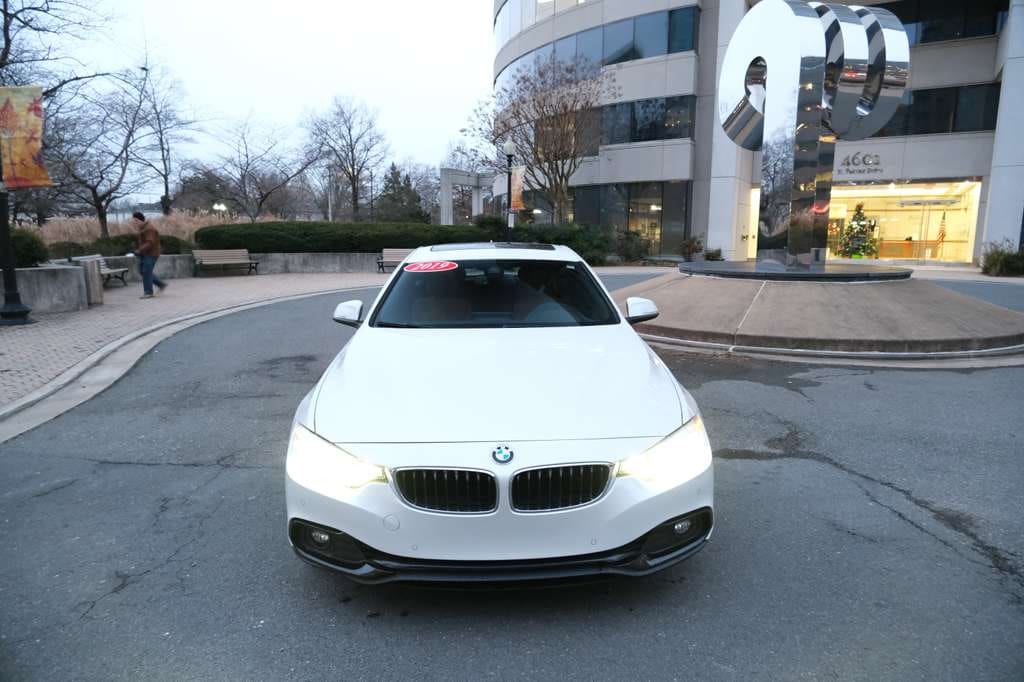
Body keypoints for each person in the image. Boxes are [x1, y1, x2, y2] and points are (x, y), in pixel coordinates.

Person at [133, 212, 167, 299]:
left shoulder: (149, 229)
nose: (135, 223)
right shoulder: (143, 228)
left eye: (136, 221)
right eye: (134, 221)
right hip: (145, 253)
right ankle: (161, 284)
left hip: (151, 254)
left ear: (141, 220)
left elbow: (150, 243)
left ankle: (148, 292)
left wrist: (139, 250)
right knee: (143, 271)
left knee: (146, 272)